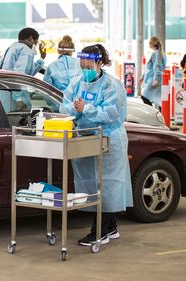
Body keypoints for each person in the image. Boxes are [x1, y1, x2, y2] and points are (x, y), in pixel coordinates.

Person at [60, 44, 133, 247]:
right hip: (85, 137)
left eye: (89, 66)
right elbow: (64, 105)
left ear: (100, 62)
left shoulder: (112, 85)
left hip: (109, 138)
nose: (85, 71)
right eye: (82, 67)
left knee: (107, 184)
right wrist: (75, 109)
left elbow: (112, 114)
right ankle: (111, 227)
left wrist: (87, 108)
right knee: (91, 184)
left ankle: (98, 232)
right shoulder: (77, 83)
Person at [0, 27, 47, 111]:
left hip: (2, 96)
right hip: (13, 99)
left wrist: (41, 58)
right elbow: (19, 75)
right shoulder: (26, 50)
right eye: (36, 42)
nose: (35, 45)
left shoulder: (11, 48)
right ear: (31, 38)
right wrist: (18, 98)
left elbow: (27, 73)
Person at [140, 36, 166, 109]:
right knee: (158, 99)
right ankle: (159, 114)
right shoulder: (159, 53)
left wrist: (156, 79)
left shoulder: (156, 54)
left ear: (152, 44)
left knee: (144, 96)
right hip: (154, 78)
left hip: (153, 79)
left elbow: (157, 67)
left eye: (149, 43)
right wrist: (143, 76)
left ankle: (152, 112)